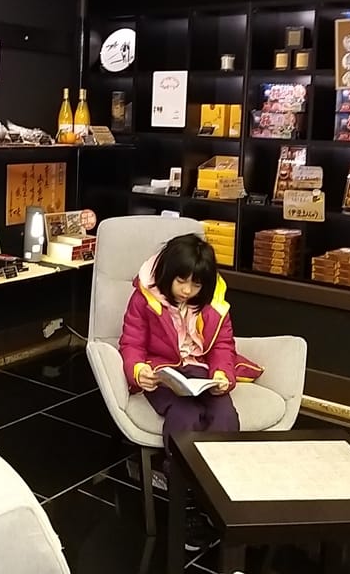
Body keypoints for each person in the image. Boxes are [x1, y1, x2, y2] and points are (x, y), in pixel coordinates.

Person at [119, 232, 239, 549]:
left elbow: (223, 346)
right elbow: (131, 343)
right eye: (181, 281)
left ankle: (217, 490)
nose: (187, 291)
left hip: (201, 372)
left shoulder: (214, 304)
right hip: (164, 372)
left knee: (225, 415)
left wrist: (222, 375)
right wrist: (138, 371)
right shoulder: (145, 299)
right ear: (167, 273)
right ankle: (183, 492)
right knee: (185, 416)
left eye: (196, 285)